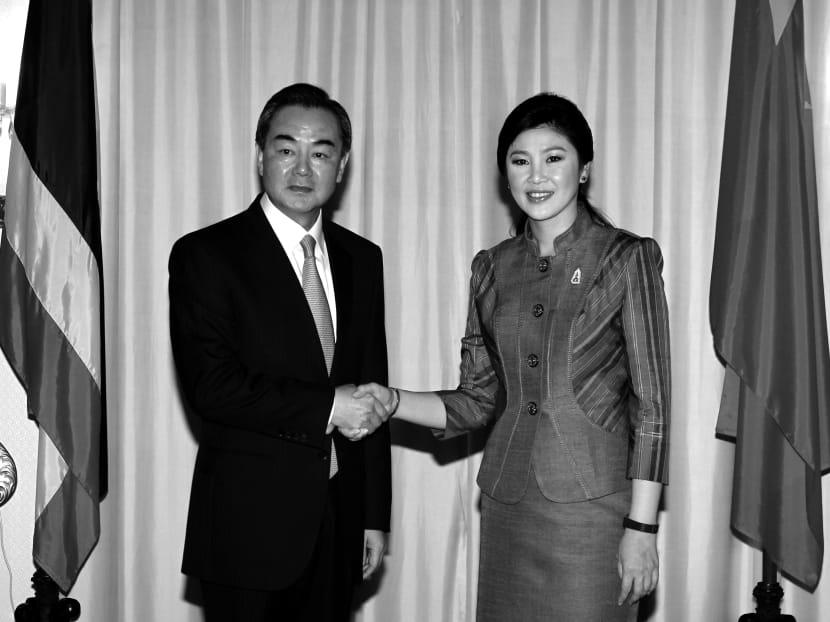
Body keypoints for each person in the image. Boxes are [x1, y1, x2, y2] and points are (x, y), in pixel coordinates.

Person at [357, 93, 670, 621]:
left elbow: (653, 406)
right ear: (505, 174)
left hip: (595, 514)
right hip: (508, 506)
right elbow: (477, 402)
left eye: (555, 157)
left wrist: (641, 529)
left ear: (584, 168)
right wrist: (391, 401)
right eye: (520, 160)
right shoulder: (491, 268)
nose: (536, 175)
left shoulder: (625, 256)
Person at [169, 83, 391, 622]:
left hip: (339, 525)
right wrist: (328, 407)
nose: (302, 169)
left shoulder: (364, 259)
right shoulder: (207, 254)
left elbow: (372, 386)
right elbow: (212, 388)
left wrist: (374, 514)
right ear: (260, 155)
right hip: (246, 531)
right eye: (286, 149)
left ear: (342, 165)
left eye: (321, 153)